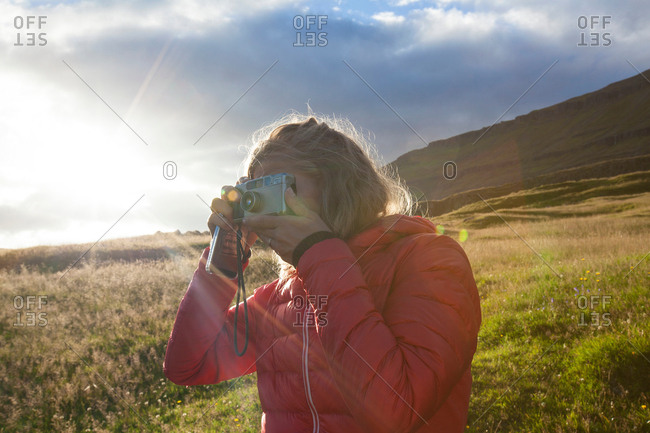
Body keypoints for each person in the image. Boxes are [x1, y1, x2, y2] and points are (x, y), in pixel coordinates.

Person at [163, 115, 482, 433]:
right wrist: (222, 260)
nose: (266, 211)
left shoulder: (430, 259)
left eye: (280, 189)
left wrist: (317, 251)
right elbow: (187, 367)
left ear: (339, 185)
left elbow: (398, 412)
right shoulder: (279, 297)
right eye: (256, 194)